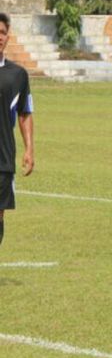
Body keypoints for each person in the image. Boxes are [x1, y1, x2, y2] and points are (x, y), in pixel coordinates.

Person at [0, 13, 35, 246]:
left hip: (2, 157)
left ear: (8, 37)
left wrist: (29, 149)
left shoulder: (18, 75)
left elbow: (25, 113)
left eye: (2, 33)